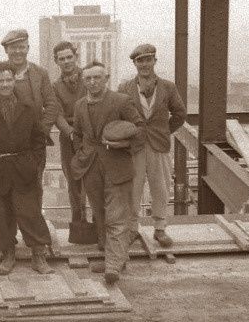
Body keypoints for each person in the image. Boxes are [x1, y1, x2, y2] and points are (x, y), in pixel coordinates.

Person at [0, 61, 54, 276]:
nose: (5, 84)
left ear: (14, 80)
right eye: (0, 80)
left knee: (30, 211)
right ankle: (8, 255)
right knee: (0, 214)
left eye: (9, 79)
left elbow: (38, 139)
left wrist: (34, 164)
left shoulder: (29, 107)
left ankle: (38, 255)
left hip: (23, 169)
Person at [71, 61, 145, 284]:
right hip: (90, 166)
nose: (92, 82)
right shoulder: (80, 105)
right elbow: (76, 134)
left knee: (116, 217)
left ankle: (112, 266)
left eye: (97, 77)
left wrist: (121, 144)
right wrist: (82, 153)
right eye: (88, 78)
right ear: (84, 81)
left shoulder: (121, 101)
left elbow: (140, 129)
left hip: (117, 166)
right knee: (100, 214)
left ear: (106, 78)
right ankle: (113, 257)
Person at [0, 29, 58, 207]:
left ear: (28, 48)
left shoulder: (40, 73)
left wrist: (40, 131)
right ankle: (9, 232)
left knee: (34, 187)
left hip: (32, 145)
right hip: (3, 146)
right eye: (12, 48)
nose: (17, 51)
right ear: (6, 50)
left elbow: (52, 105)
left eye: (21, 47)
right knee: (4, 190)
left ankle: (32, 230)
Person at [118, 44, 187, 247]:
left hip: (159, 145)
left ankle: (160, 229)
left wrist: (164, 131)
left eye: (148, 60)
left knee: (161, 188)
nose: (144, 64)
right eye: (140, 61)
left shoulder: (168, 87)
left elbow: (180, 114)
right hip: (135, 147)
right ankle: (132, 229)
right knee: (133, 188)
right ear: (135, 64)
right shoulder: (125, 88)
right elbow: (119, 115)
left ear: (155, 61)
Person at [52, 41, 88, 225]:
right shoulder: (55, 87)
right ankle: (78, 220)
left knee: (95, 180)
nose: (66, 61)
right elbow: (56, 114)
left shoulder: (89, 78)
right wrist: (70, 133)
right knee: (73, 182)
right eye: (62, 59)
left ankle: (99, 225)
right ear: (56, 62)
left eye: (69, 57)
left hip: (91, 136)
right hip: (69, 139)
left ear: (76, 56)